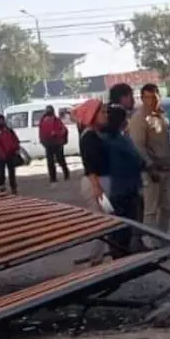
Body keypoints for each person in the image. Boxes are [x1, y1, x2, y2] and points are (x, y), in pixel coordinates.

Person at [104, 83, 146, 257]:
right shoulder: (117, 139)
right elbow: (135, 157)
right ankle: (122, 254)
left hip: (120, 185)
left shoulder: (109, 136)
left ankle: (122, 250)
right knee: (123, 222)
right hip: (122, 187)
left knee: (119, 222)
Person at [128, 83, 170, 236]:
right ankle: (150, 240)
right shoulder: (139, 118)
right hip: (152, 170)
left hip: (167, 167)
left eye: (154, 97)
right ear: (142, 99)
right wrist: (149, 166)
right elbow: (138, 146)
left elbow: (166, 141)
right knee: (151, 208)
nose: (152, 101)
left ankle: (163, 236)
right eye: (148, 98)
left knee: (168, 207)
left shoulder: (162, 114)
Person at [75, 98, 112, 265]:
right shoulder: (89, 137)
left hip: (101, 182)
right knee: (102, 220)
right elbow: (90, 166)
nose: (106, 115)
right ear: (93, 115)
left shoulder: (96, 134)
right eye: (102, 112)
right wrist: (97, 187)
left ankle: (99, 254)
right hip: (96, 183)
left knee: (108, 218)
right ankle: (95, 257)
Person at [0, 103, 21, 194]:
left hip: (3, 153)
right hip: (5, 153)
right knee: (6, 172)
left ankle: (5, 188)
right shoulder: (4, 128)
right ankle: (10, 187)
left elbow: (14, 139)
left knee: (2, 172)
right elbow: (14, 139)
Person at [38, 105, 70, 184]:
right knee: (50, 162)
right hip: (48, 144)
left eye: (49, 110)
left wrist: (56, 133)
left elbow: (63, 130)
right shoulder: (43, 121)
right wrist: (42, 141)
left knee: (60, 159)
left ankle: (66, 173)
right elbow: (41, 133)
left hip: (57, 143)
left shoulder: (56, 120)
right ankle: (53, 177)